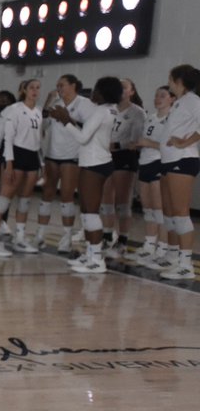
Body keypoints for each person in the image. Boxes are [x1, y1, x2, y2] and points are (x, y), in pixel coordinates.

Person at [48, 76, 121, 273]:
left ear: (104, 92)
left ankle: (96, 259)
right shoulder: (110, 109)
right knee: (88, 211)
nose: (92, 93)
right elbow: (89, 131)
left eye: (96, 89)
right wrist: (69, 120)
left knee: (90, 212)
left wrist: (65, 120)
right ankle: (90, 254)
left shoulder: (100, 110)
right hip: (98, 160)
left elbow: (82, 137)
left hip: (94, 163)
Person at [0, 79, 42, 257]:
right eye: (31, 87)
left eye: (38, 88)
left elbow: (38, 140)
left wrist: (42, 164)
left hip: (32, 157)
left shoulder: (38, 112)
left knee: (25, 200)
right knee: (4, 198)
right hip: (15, 155)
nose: (35, 91)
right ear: (23, 90)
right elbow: (5, 138)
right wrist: (7, 163)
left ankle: (20, 238)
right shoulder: (14, 110)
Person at [156, 64, 200, 280]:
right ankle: (174, 257)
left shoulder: (193, 100)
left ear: (180, 81)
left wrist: (185, 142)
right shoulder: (181, 102)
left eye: (171, 79)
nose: (169, 82)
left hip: (183, 160)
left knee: (181, 212)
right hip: (169, 161)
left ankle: (186, 264)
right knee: (171, 211)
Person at [44, 74, 94, 254]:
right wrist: (47, 103)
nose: (59, 88)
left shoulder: (84, 104)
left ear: (74, 85)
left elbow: (89, 129)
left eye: (62, 85)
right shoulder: (54, 102)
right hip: (52, 153)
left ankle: (66, 237)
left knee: (66, 195)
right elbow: (44, 126)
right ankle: (40, 234)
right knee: (47, 193)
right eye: (57, 85)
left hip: (71, 155)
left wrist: (67, 118)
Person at [127, 85, 174, 266]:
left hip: (159, 162)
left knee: (159, 209)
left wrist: (149, 143)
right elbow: (144, 140)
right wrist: (137, 144)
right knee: (147, 208)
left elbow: (171, 145)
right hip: (145, 162)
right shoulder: (151, 118)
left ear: (172, 99)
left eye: (162, 95)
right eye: (156, 95)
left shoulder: (172, 119)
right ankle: (148, 247)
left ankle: (162, 249)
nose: (158, 98)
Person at [101, 78, 145, 256]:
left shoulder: (137, 113)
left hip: (125, 157)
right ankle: (106, 236)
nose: (121, 90)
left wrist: (118, 145)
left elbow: (137, 141)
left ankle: (123, 240)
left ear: (132, 91)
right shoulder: (107, 109)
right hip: (105, 156)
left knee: (122, 202)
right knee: (106, 202)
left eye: (125, 87)